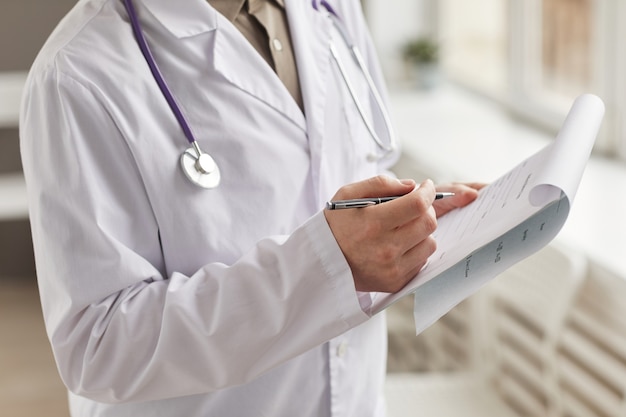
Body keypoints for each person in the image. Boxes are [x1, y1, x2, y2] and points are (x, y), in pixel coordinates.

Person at [20, 0, 479, 415]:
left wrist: (419, 221)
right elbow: (99, 350)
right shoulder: (77, 72)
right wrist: (322, 265)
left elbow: (365, 173)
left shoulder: (331, 11)